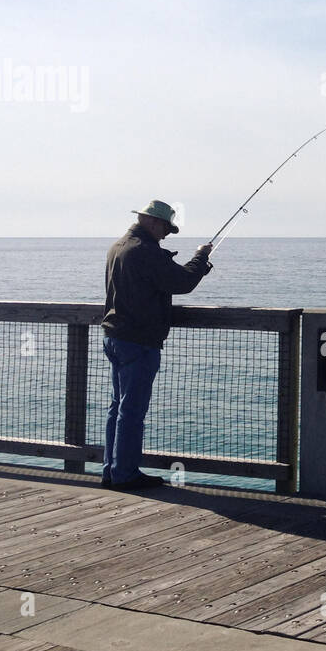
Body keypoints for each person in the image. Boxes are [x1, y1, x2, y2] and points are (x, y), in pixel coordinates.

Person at [101, 200, 213, 490]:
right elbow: (182, 282)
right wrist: (201, 258)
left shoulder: (119, 246)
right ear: (152, 222)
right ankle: (125, 474)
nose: (166, 234)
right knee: (132, 410)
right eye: (165, 228)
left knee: (117, 407)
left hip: (114, 336)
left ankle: (111, 471)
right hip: (138, 340)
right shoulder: (145, 251)